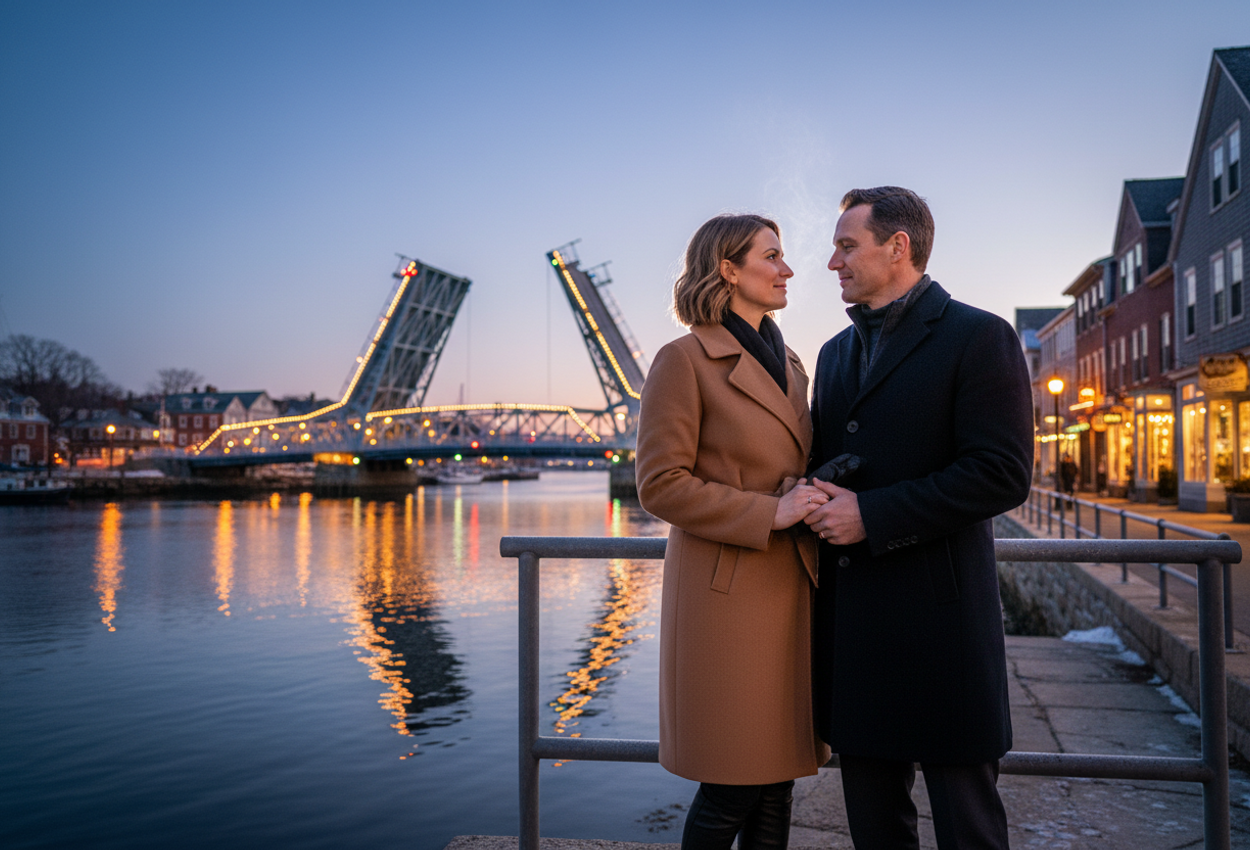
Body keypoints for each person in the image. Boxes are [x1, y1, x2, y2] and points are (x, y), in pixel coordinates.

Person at [803, 187, 1033, 849]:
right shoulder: (832, 354)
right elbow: (836, 457)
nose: (832, 263)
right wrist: (811, 488)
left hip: (944, 634)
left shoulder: (979, 336)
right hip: (857, 639)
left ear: (897, 247)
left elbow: (1002, 473)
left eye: (847, 245)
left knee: (970, 833)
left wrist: (871, 516)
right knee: (877, 834)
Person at [636, 214, 831, 850]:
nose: (788, 269)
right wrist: (767, 512)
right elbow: (660, 483)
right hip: (729, 597)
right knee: (732, 783)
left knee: (779, 777)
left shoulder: (792, 361)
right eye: (772, 256)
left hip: (795, 586)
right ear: (728, 269)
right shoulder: (683, 360)